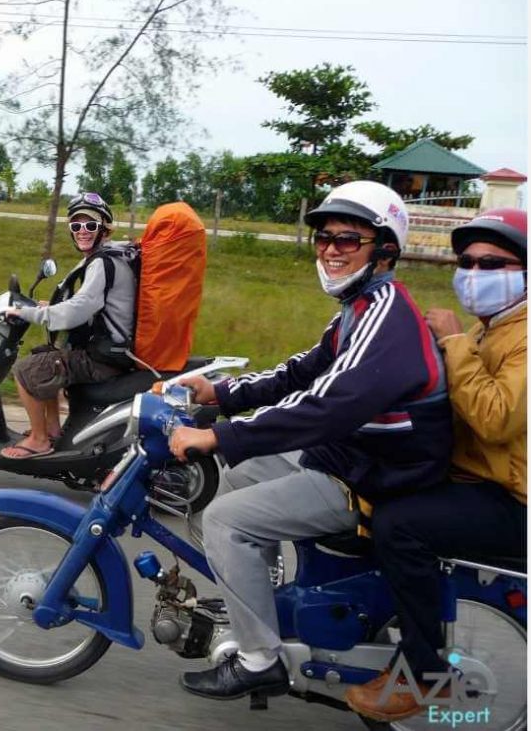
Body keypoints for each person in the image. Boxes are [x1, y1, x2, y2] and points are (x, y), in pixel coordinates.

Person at [167, 180, 453, 701]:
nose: (330, 249)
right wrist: (221, 393)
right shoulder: (361, 308)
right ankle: (266, 600)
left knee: (223, 519)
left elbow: (323, 407)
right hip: (354, 457)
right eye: (323, 238)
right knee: (241, 473)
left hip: (376, 477)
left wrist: (218, 434)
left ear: (385, 248)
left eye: (347, 239)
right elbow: (301, 371)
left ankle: (259, 659)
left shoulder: (386, 319)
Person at [345, 208, 528, 723]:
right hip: (480, 480)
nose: (473, 273)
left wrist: (453, 343)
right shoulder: (493, 327)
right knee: (365, 487)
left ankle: (426, 676)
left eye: (493, 264)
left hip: (515, 500)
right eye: (467, 261)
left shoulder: (523, 336)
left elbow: (494, 418)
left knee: (399, 526)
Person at [0, 192, 136, 458]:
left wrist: (28, 314)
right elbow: (88, 304)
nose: (82, 231)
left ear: (104, 229)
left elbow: (76, 311)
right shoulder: (107, 257)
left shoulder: (102, 262)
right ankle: (52, 430)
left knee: (26, 370)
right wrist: (44, 307)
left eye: (90, 225)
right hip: (111, 350)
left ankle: (39, 440)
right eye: (76, 225)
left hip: (103, 358)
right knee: (44, 356)